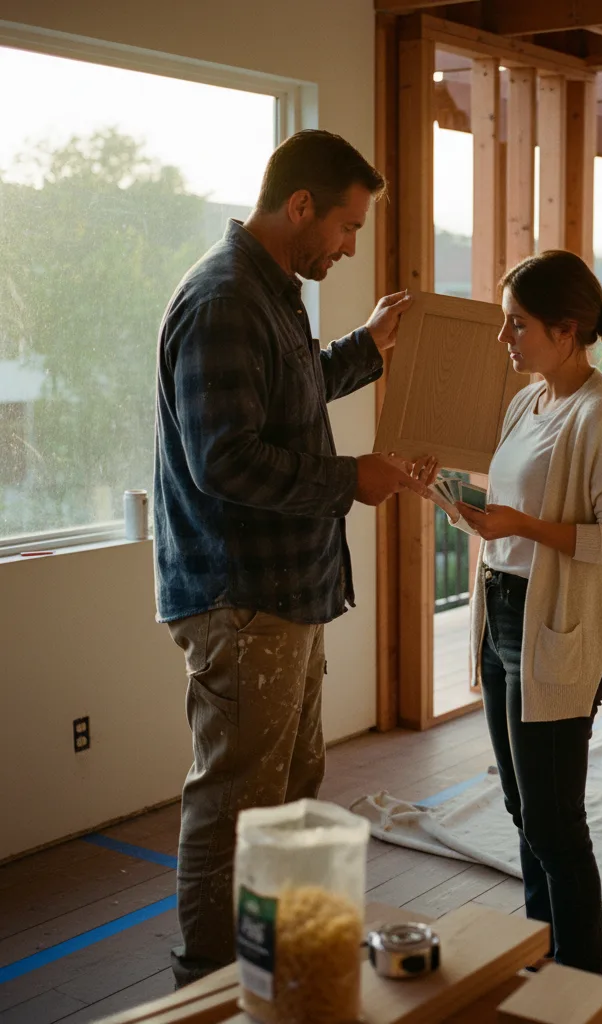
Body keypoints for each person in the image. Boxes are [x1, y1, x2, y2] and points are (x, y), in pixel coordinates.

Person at [153, 129, 436, 987]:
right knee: (239, 799)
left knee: (286, 792)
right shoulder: (223, 298)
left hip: (287, 591)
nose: (351, 247)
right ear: (300, 204)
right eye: (347, 227)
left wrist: (367, 347)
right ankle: (208, 985)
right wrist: (353, 477)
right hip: (243, 596)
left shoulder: (272, 292)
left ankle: (269, 968)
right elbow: (226, 460)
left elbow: (292, 383)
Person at [454, 250, 602, 974]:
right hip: (501, 617)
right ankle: (545, 962)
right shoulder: (527, 399)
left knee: (555, 824)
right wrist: (461, 501)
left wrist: (524, 528)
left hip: (555, 632)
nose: (504, 338)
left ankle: (580, 986)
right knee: (521, 810)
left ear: (566, 332)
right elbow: (515, 502)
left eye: (518, 325)